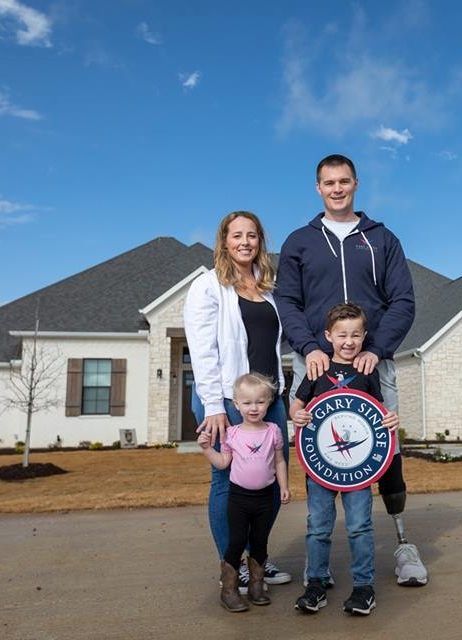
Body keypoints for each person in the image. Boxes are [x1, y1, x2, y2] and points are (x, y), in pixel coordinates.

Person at [275, 154, 428, 587]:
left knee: (385, 448)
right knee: (320, 454)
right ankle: (318, 561)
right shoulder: (299, 241)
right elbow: (287, 301)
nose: (337, 188)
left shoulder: (382, 239)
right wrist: (308, 346)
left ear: (356, 184)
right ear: (318, 188)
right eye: (328, 182)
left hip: (370, 361)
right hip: (317, 361)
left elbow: (403, 301)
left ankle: (402, 544)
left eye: (344, 181)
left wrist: (377, 349)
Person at [183, 210, 292, 593]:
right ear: (224, 241)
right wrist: (213, 404)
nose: (244, 241)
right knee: (227, 482)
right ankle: (233, 565)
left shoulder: (269, 286)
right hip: (226, 401)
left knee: (273, 477)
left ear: (260, 241)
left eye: (252, 235)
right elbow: (202, 350)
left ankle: (256, 558)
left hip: (271, 398)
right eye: (236, 235)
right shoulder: (208, 286)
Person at [290, 303, 399, 616]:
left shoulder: (368, 371)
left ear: (364, 336)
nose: (349, 341)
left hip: (358, 469)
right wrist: (298, 416)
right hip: (321, 464)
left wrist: (391, 420)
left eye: (355, 335)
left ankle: (364, 588)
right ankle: (316, 585)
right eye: (342, 335)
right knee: (318, 527)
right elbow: (296, 406)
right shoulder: (317, 369)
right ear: (328, 336)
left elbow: (379, 414)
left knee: (359, 527)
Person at [199, 373, 290, 612]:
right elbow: (222, 463)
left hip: (265, 498)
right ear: (236, 405)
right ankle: (228, 590)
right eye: (247, 403)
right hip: (238, 499)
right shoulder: (233, 434)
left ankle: (256, 586)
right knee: (237, 541)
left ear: (269, 402)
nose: (254, 407)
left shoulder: (273, 431)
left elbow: (280, 461)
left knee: (260, 542)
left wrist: (284, 486)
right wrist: (208, 449)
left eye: (260, 402)